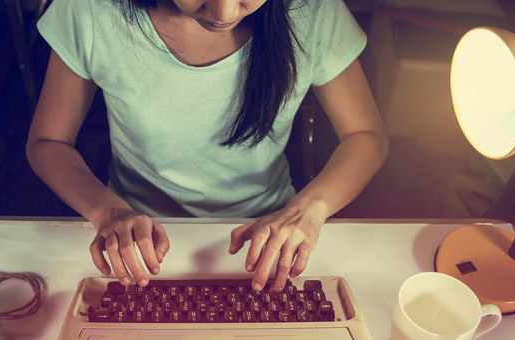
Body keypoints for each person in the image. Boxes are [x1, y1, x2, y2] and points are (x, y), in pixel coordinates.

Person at [27, 0, 389, 293]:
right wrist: (107, 212)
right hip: (133, 240)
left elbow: (365, 136)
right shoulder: (92, 9)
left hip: (271, 234)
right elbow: (49, 141)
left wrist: (310, 210)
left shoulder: (312, 10)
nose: (224, 13)